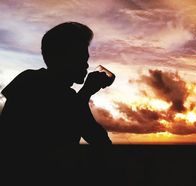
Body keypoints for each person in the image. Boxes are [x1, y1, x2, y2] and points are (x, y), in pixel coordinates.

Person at [0, 22, 112, 157]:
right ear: (62, 58)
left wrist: (84, 94)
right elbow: (101, 143)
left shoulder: (68, 96)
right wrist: (85, 92)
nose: (86, 64)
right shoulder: (31, 81)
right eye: (80, 58)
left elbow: (97, 138)